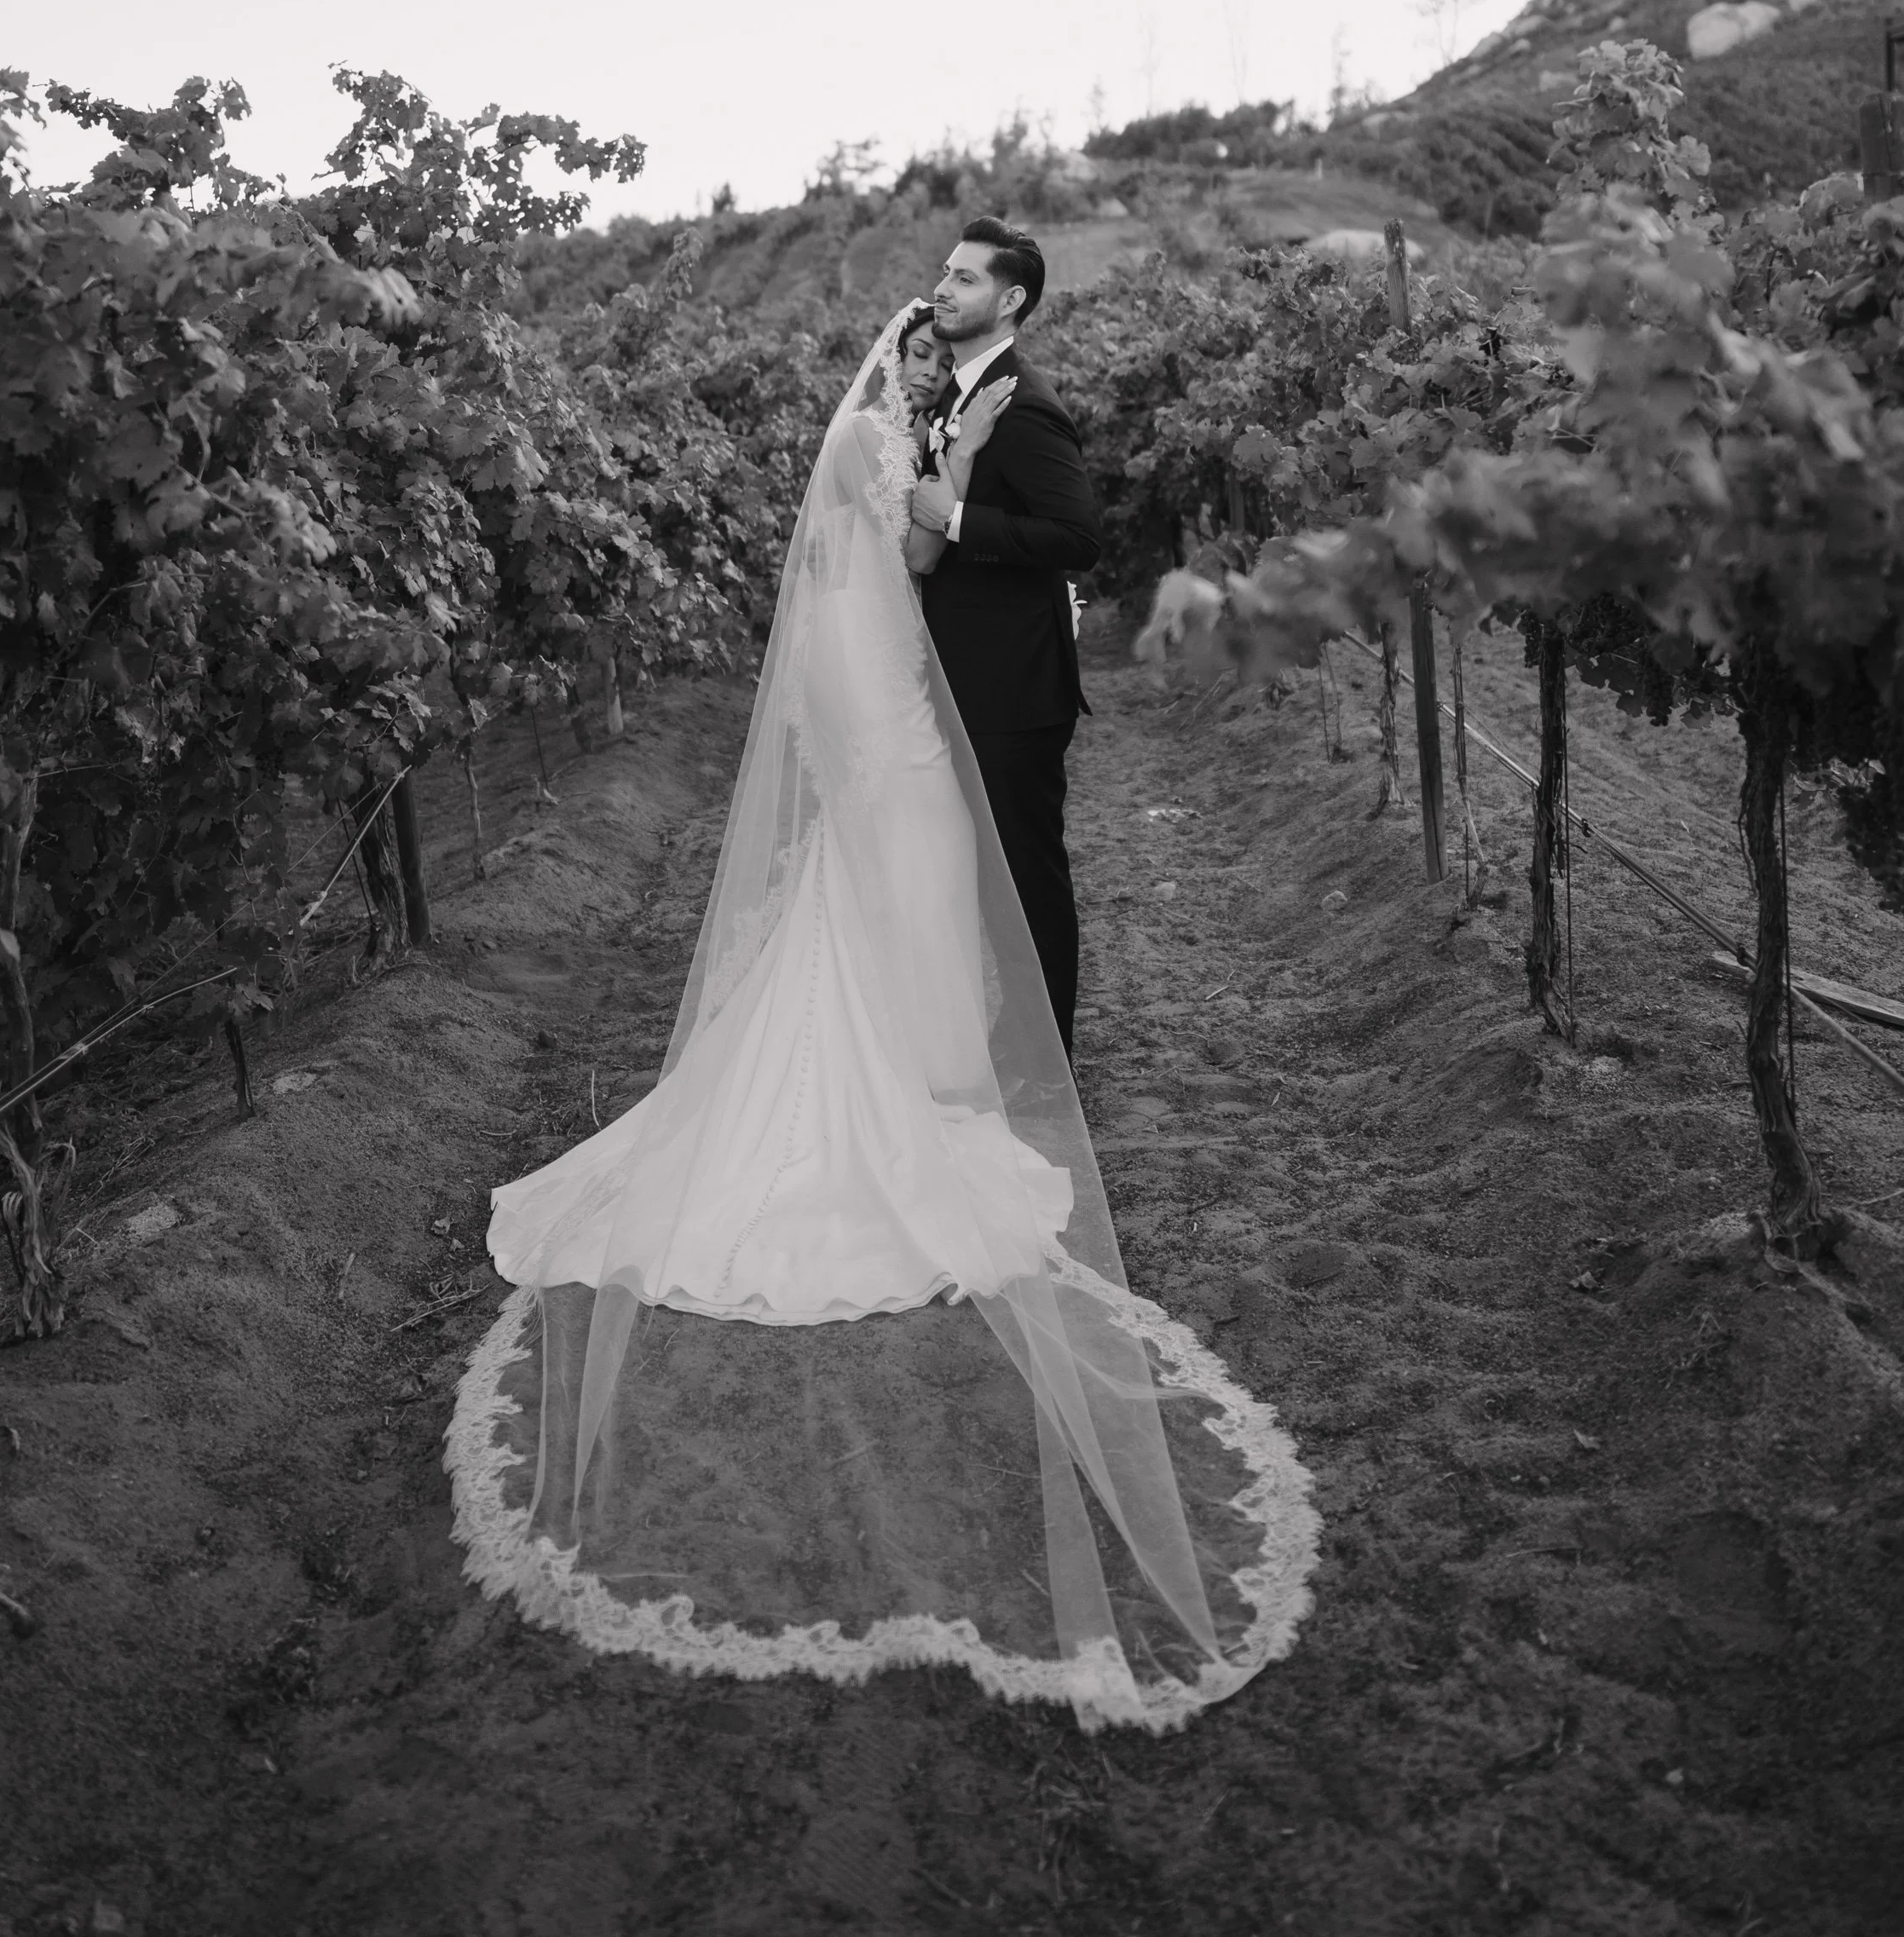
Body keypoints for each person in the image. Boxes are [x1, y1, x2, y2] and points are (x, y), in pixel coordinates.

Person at [447, 301, 1316, 1732]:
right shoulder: (870, 434)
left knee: (901, 864)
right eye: (910, 350)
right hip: (868, 664)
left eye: (933, 354)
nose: (922, 368)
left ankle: (914, 1059)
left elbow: (925, 546)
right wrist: (943, 481)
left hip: (888, 653)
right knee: (895, 835)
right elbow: (900, 555)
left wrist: (949, 480)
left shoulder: (901, 438)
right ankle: (885, 1079)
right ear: (884, 362)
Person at [908, 220, 1099, 1057]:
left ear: (1010, 297)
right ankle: (1015, 1036)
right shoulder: (959, 390)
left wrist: (952, 519)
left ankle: (1042, 1058)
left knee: (1025, 878)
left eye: (965, 278)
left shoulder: (1023, 402)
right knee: (990, 881)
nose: (943, 287)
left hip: (1011, 689)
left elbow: (1075, 536)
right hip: (970, 675)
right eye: (944, 273)